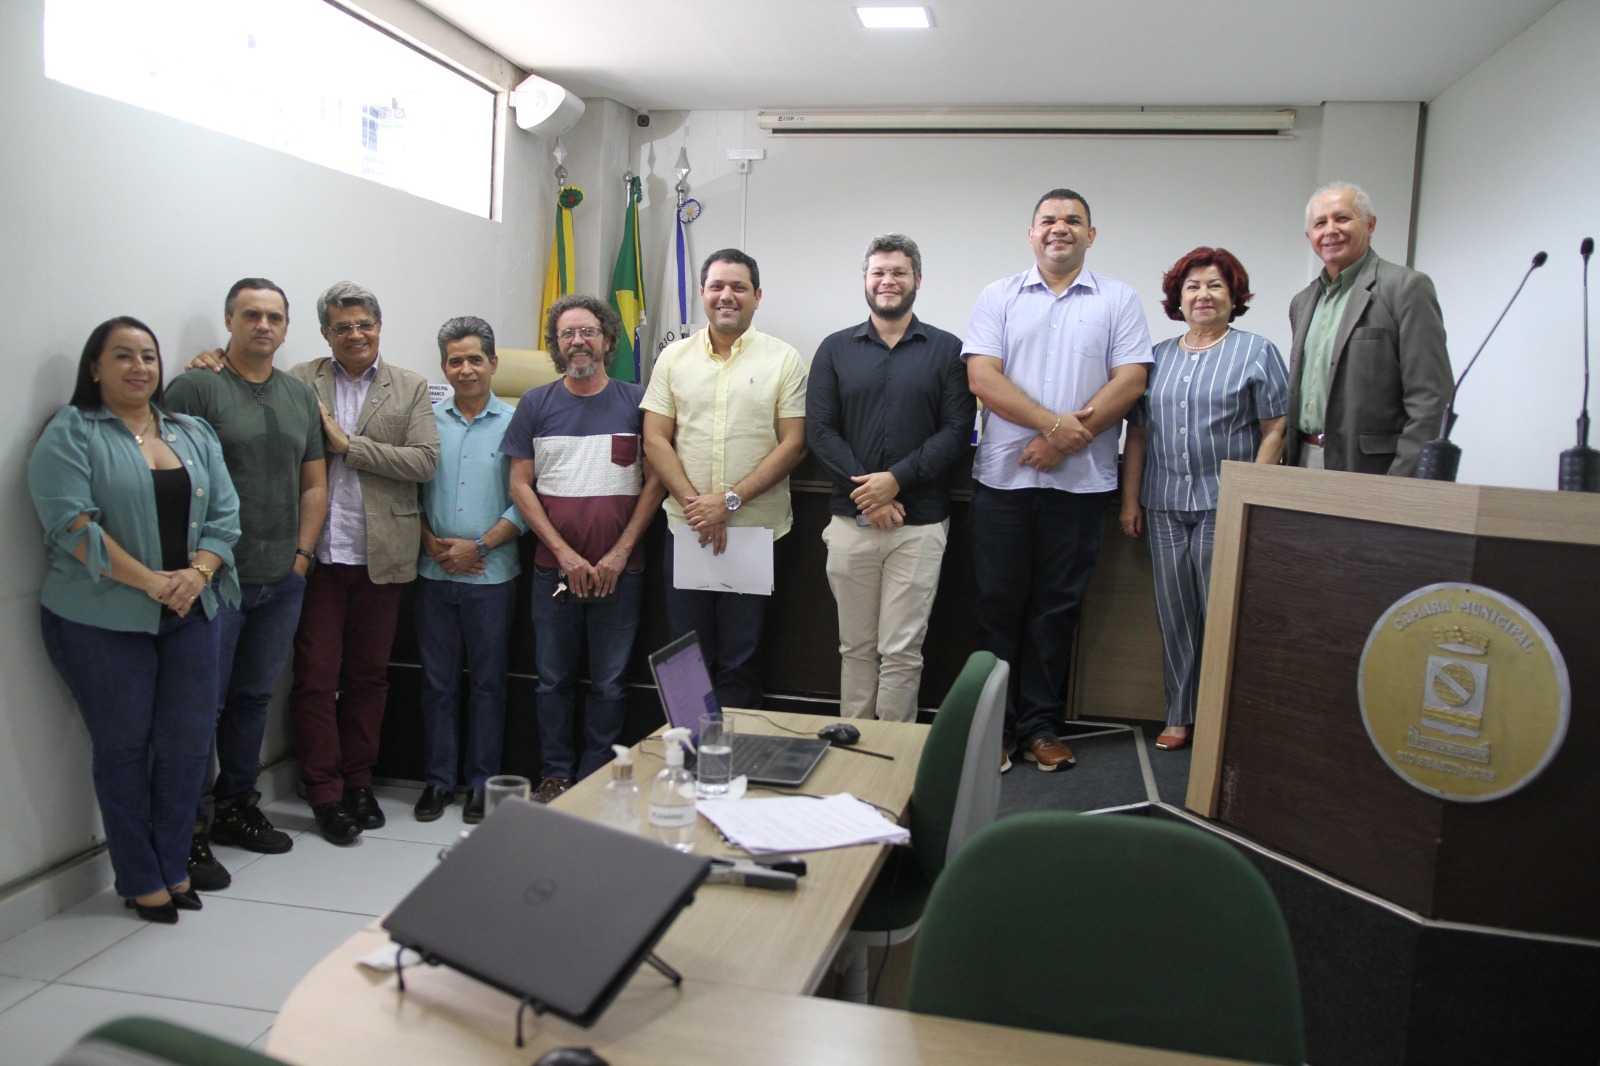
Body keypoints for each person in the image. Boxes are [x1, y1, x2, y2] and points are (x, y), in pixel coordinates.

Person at [29, 317, 241, 922]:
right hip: (100, 619)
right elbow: (72, 527)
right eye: (122, 356)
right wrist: (153, 583)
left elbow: (226, 518)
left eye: (148, 355)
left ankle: (174, 865)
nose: (139, 367)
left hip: (192, 610)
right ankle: (139, 875)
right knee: (123, 748)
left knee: (187, 747)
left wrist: (193, 578)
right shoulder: (70, 433)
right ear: (95, 367)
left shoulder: (191, 431)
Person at [964, 189, 1153, 772]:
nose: (1060, 229)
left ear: (1091, 235)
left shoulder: (1119, 299)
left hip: (1082, 484)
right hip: (1003, 483)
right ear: (1031, 233)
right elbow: (982, 378)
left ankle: (1041, 728)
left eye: (1073, 221)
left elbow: (1130, 381)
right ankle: (993, 728)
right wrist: (1052, 426)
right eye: (1048, 220)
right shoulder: (998, 296)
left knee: (1056, 609)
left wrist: (1061, 440)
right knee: (997, 607)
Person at [164, 278, 326, 890]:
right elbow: (170, 477)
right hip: (214, 581)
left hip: (280, 577)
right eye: (251, 315)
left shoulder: (296, 395)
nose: (264, 326)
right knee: (199, 707)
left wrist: (302, 557)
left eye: (275, 317)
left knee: (253, 700)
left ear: (287, 328)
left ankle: (237, 805)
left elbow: (314, 482)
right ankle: (191, 831)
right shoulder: (195, 387)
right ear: (229, 321)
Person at [1119, 248, 1288, 751]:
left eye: (1215, 286)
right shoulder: (1158, 356)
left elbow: (1275, 425)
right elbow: (1139, 436)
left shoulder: (1257, 351)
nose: (1203, 295)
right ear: (1178, 297)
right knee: (1174, 612)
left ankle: (1223, 716)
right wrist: (1131, 502)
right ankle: (1178, 713)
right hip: (1164, 503)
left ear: (1234, 296)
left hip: (1224, 505)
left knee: (1223, 611)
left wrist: (1251, 496)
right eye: (1192, 286)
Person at [288, 282, 439, 844]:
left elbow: (424, 462)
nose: (355, 335)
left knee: (369, 679)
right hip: (318, 557)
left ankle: (358, 782)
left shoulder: (410, 386)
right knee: (315, 680)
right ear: (326, 334)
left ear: (380, 327)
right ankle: (324, 791)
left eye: (364, 325)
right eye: (342, 327)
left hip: (383, 557)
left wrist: (347, 445)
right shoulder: (301, 381)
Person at [807, 234, 974, 722]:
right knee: (855, 648)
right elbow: (820, 430)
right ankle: (853, 753)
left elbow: (957, 430)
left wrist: (895, 481)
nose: (888, 281)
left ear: (917, 280)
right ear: (865, 280)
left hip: (918, 528)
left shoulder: (948, 351)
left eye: (899, 272)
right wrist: (871, 494)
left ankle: (894, 763)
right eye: (879, 272)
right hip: (851, 525)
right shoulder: (834, 350)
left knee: (902, 652)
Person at [503, 295, 663, 803]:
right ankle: (555, 774)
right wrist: (565, 556)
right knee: (552, 681)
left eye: (588, 332)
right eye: (567, 334)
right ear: (555, 345)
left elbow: (655, 482)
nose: (577, 341)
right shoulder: (535, 404)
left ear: (609, 340)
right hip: (555, 572)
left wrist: (617, 554)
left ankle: (596, 776)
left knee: (611, 684)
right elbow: (520, 486)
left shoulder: (639, 402)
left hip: (623, 572)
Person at [641, 250, 808, 710]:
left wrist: (728, 503)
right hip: (687, 529)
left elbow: (793, 443)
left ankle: (732, 766)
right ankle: (689, 762)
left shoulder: (784, 359)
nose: (726, 296)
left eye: (738, 287)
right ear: (702, 294)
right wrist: (701, 507)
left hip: (755, 530)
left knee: (741, 657)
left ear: (757, 296)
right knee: (685, 655)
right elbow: (655, 439)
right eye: (716, 286)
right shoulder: (673, 358)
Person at [413, 317, 526, 824]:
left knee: (487, 685)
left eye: (475, 359)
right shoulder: (425, 421)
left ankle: (481, 784)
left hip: (492, 575)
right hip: (433, 574)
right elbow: (407, 493)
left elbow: (527, 501)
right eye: (455, 360)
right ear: (444, 367)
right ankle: (438, 781)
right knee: (437, 683)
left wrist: (478, 545)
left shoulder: (517, 422)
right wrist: (430, 543)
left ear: (494, 364)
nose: (466, 369)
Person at [1285, 182, 1452, 476]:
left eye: (1342, 218)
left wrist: (1400, 479)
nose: (1330, 230)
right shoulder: (1302, 302)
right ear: (1308, 235)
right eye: (1320, 223)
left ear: (1370, 224)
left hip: (1374, 469)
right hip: (1303, 460)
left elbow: (1431, 398)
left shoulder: (1406, 288)